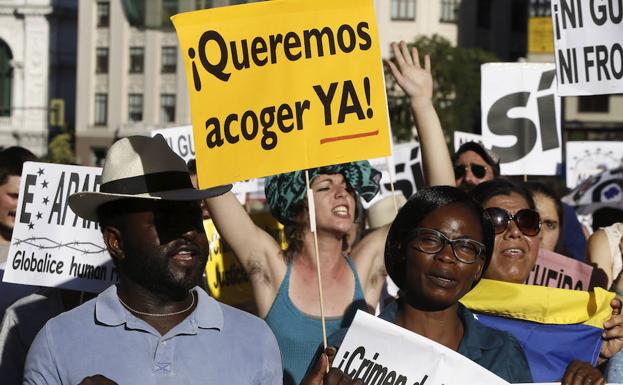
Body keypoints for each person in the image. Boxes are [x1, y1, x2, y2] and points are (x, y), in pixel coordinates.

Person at [205, 41, 455, 385]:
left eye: (348, 187)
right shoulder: (273, 269)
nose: (343, 193)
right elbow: (211, 185)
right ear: (296, 208)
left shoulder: (367, 264)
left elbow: (444, 205)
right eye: (325, 186)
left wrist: (422, 103)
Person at [23, 135, 282, 385]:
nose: (189, 231)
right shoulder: (57, 341)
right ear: (117, 242)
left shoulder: (254, 338)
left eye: (193, 217)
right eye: (167, 219)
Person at [305, 186, 534, 383]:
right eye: (431, 240)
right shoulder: (343, 348)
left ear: (478, 267)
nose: (447, 256)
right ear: (400, 246)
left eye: (465, 247)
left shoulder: (502, 352)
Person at [470, 179, 623, 370]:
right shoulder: (444, 307)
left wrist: (598, 355)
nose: (515, 232)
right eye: (496, 220)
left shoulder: (578, 322)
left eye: (527, 221)